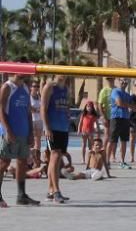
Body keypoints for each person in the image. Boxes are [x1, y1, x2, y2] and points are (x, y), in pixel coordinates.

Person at [0, 73, 40, 206]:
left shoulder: (25, 87)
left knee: (22, 162)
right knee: (4, 163)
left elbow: (28, 112)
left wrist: (31, 133)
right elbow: (1, 110)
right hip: (10, 132)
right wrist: (8, 130)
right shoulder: (7, 87)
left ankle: (21, 195)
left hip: (23, 132)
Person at [41, 74, 71, 203]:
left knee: (58, 158)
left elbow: (66, 107)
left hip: (63, 127)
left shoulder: (66, 89)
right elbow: (43, 108)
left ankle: (50, 190)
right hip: (53, 127)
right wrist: (47, 127)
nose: (63, 75)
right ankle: (56, 191)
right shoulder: (49, 87)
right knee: (54, 156)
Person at [107, 79, 136, 170]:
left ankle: (122, 161)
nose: (124, 82)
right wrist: (129, 105)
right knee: (112, 140)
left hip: (125, 118)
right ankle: (107, 161)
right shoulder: (115, 91)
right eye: (122, 80)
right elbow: (119, 103)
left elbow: (134, 106)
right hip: (116, 118)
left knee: (124, 141)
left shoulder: (127, 95)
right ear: (119, 81)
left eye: (126, 81)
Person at [78, 100, 100, 165]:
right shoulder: (83, 114)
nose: (89, 108)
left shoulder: (94, 115)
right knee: (83, 145)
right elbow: (80, 122)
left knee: (91, 146)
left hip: (91, 132)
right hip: (84, 131)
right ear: (86, 107)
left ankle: (91, 158)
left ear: (92, 107)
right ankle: (83, 159)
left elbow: (97, 124)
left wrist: (98, 131)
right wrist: (79, 130)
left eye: (90, 107)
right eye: (88, 106)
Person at [29, 80, 43, 168]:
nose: (36, 88)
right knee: (32, 140)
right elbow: (29, 107)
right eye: (34, 86)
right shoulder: (29, 97)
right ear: (31, 87)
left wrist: (39, 110)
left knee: (38, 140)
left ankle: (37, 158)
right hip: (32, 120)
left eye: (37, 86)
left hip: (39, 120)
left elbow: (42, 106)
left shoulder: (39, 96)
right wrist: (37, 110)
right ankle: (32, 158)